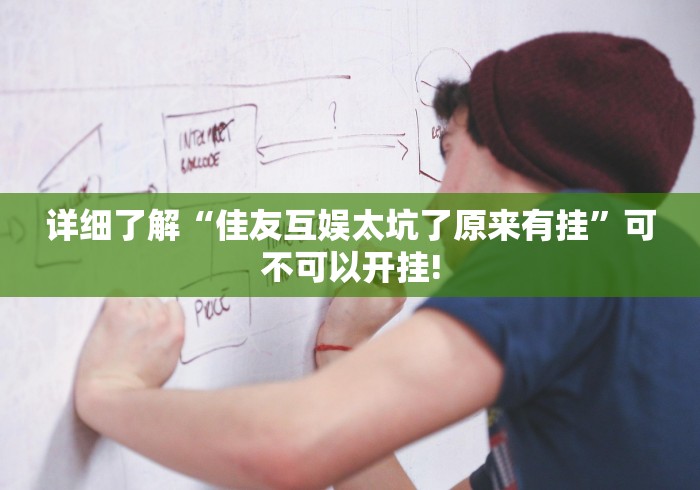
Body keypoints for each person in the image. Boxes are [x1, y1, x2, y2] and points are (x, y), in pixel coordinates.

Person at [74, 32, 699, 489]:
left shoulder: (570, 242)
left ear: (515, 146)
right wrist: (341, 349)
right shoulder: (655, 281)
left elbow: (290, 446)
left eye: (449, 150)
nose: (435, 203)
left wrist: (110, 393)